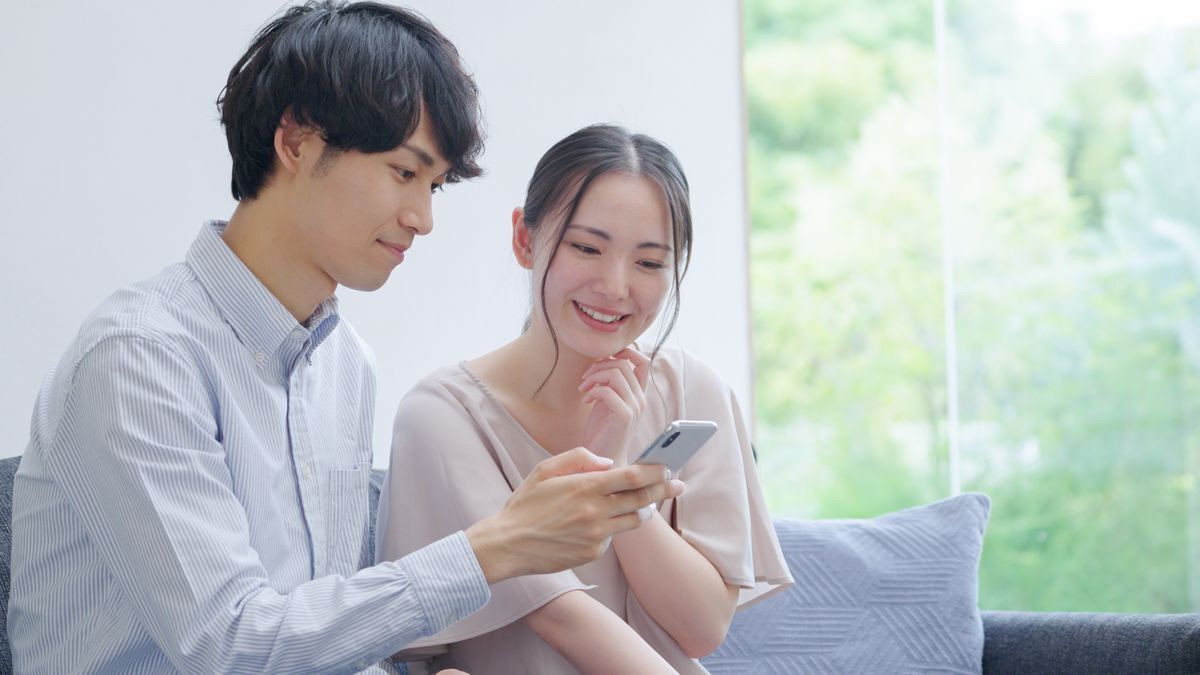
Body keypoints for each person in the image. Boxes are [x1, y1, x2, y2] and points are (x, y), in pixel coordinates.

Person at [6, 5, 683, 674]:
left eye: (435, 186)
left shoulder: (343, 363)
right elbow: (230, 646)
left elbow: (323, 628)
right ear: (297, 141)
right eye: (404, 172)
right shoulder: (137, 358)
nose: (422, 218)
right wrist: (496, 545)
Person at [378, 124, 794, 674]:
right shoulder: (443, 416)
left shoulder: (695, 392)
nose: (616, 286)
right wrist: (603, 481)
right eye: (586, 248)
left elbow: (701, 628)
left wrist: (625, 481)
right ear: (525, 240)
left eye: (649, 262)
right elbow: (558, 616)